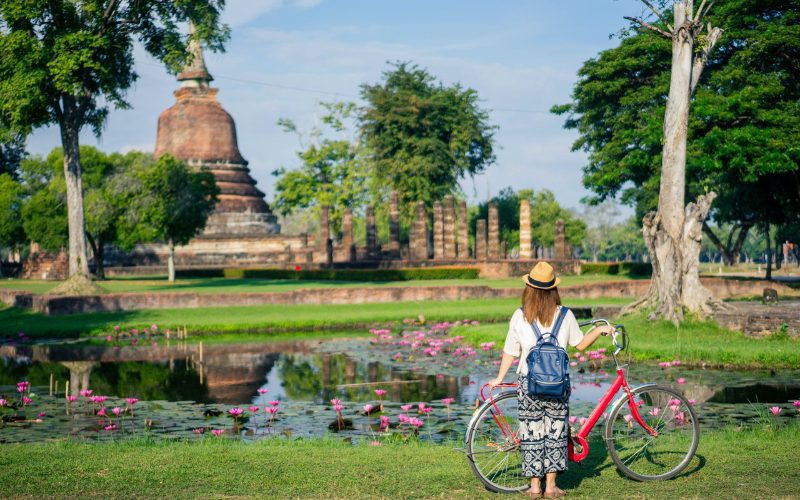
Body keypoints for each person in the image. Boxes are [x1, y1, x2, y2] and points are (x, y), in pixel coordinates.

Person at [487, 262, 612, 498]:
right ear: (554, 289)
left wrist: (499, 378)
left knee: (531, 432)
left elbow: (510, 352)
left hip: (528, 383)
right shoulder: (565, 314)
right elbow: (581, 344)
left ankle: (535, 486)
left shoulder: (520, 315)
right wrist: (598, 331)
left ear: (529, 288)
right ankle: (551, 486)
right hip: (558, 383)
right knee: (556, 432)